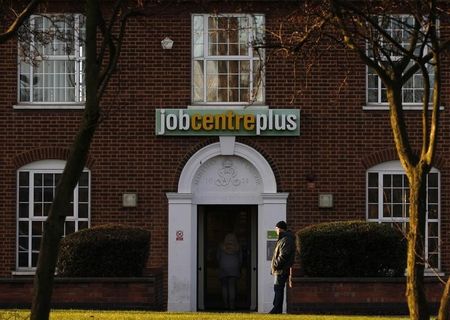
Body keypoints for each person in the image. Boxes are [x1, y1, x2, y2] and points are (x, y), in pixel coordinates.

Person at [269, 220, 295, 314]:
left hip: (281, 269)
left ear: (279, 228)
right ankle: (276, 309)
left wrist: (276, 265)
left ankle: (276, 309)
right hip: (280, 269)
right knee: (278, 289)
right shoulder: (283, 238)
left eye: (276, 228)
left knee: (278, 289)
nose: (275, 230)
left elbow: (284, 255)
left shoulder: (286, 239)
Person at [216, 233, 242, 310]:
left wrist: (220, 264)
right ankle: (232, 305)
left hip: (223, 267)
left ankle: (225, 305)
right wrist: (239, 266)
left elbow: (218, 257)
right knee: (232, 287)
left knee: (224, 287)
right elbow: (241, 259)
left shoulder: (221, 246)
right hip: (234, 268)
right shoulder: (237, 246)